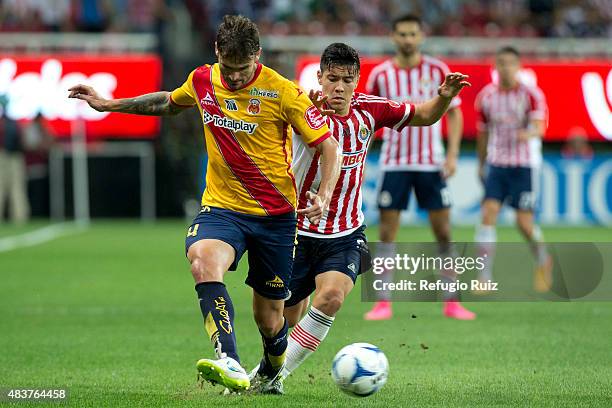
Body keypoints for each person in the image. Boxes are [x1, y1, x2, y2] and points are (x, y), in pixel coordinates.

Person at [68, 15, 341, 393]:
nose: (233, 78)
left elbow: (327, 144)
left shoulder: (283, 91)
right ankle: (228, 359)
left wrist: (325, 194)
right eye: (228, 69)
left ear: (257, 56)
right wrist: (108, 103)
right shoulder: (202, 79)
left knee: (271, 320)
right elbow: (168, 102)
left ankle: (271, 371)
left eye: (242, 70)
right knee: (202, 260)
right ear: (217, 53)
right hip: (222, 208)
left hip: (275, 217)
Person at [256, 42, 470, 392]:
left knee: (332, 298)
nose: (338, 87)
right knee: (283, 321)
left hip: (345, 232)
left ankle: (271, 379)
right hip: (297, 231)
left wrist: (444, 96)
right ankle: (270, 367)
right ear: (320, 77)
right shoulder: (300, 108)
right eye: (332, 79)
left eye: (347, 80)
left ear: (357, 81)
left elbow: (425, 115)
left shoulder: (371, 110)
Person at [364, 14, 475, 321]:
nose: (408, 39)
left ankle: (452, 300)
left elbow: (454, 114)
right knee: (387, 233)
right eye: (402, 34)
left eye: (413, 33)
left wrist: (452, 155)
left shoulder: (438, 70)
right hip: (394, 163)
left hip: (430, 163)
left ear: (421, 36)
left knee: (443, 231)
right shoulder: (381, 75)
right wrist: (361, 158)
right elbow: (370, 121)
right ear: (393, 37)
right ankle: (382, 301)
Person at [474, 45, 552, 292]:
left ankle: (543, 261)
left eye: (510, 63)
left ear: (518, 67)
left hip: (523, 166)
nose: (506, 68)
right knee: (488, 214)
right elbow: (483, 134)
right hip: (497, 164)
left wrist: (527, 133)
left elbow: (541, 127)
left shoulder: (531, 95)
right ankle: (484, 277)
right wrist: (481, 163)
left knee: (524, 223)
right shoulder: (486, 97)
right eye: (501, 63)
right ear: (496, 66)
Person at [0, 95, 30, 224]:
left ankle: (19, 217)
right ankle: (19, 217)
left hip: (11, 156)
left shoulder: (10, 122)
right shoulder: (13, 123)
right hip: (10, 156)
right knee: (15, 188)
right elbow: (22, 142)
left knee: (15, 188)